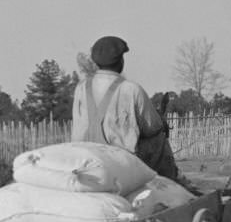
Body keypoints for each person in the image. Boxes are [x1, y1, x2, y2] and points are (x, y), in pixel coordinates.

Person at [71, 36, 194, 190]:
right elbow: (152, 127)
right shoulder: (131, 89)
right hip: (119, 162)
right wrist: (161, 123)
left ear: (96, 63)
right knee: (159, 136)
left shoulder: (81, 88)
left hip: (85, 158)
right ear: (120, 61)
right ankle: (172, 185)